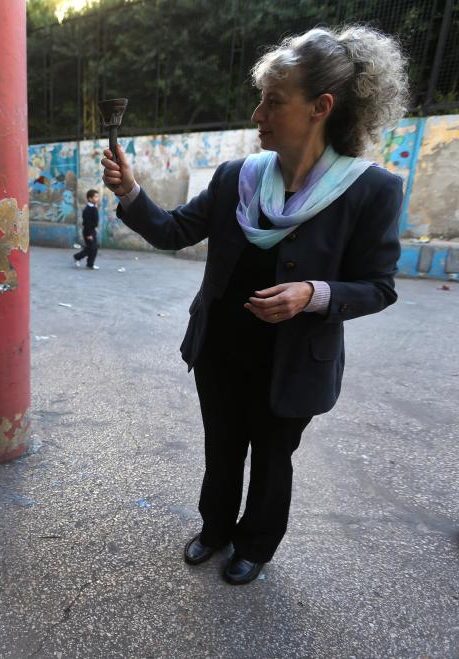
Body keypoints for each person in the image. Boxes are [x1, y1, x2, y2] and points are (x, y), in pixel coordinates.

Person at [101, 26, 408, 584]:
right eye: (260, 98)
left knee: (271, 460)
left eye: (273, 100)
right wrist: (130, 193)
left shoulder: (370, 190)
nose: (257, 113)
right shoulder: (236, 177)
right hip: (221, 349)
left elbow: (379, 286)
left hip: (292, 363)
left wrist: (314, 294)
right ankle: (214, 528)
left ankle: (255, 545)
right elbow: (172, 232)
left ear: (321, 107)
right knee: (221, 449)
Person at [73, 189, 100, 269]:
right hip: (88, 231)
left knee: (93, 248)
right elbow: (87, 223)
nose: (97, 198)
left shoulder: (94, 207)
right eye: (95, 197)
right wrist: (89, 234)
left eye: (97, 197)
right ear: (90, 199)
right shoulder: (87, 209)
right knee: (91, 248)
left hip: (92, 230)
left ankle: (90, 264)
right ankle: (77, 257)